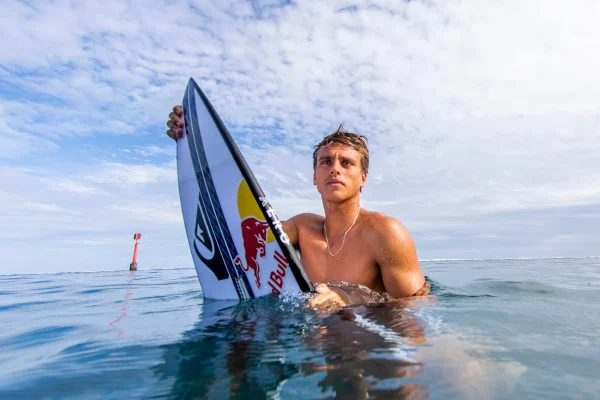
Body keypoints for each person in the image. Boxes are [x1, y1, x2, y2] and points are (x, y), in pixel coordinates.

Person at [167, 106, 430, 310]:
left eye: (347, 163)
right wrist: (191, 137)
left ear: (363, 177)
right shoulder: (302, 228)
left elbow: (416, 307)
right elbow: (249, 230)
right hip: (315, 342)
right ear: (315, 176)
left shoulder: (385, 232)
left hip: (367, 342)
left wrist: (348, 301)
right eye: (325, 161)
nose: (335, 168)